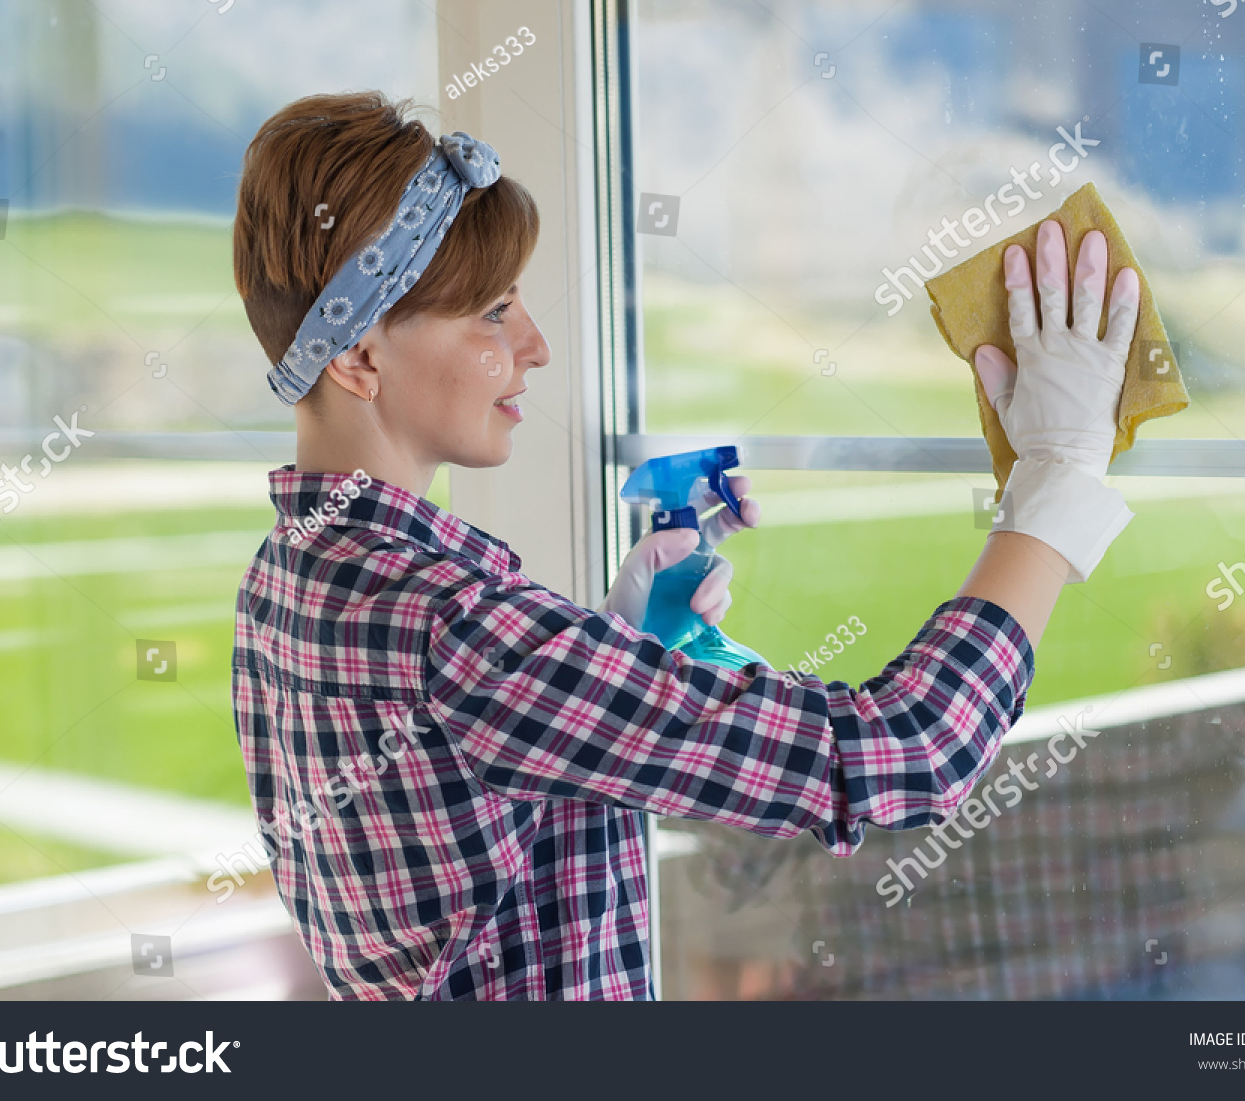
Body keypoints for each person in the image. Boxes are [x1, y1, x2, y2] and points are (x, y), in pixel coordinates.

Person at [229, 90, 1141, 1000]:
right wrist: (1054, 489)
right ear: (357, 360)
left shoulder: (286, 576)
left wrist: (615, 641)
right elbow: (902, 753)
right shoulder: (459, 627)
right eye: (493, 313)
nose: (537, 346)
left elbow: (454, 827)